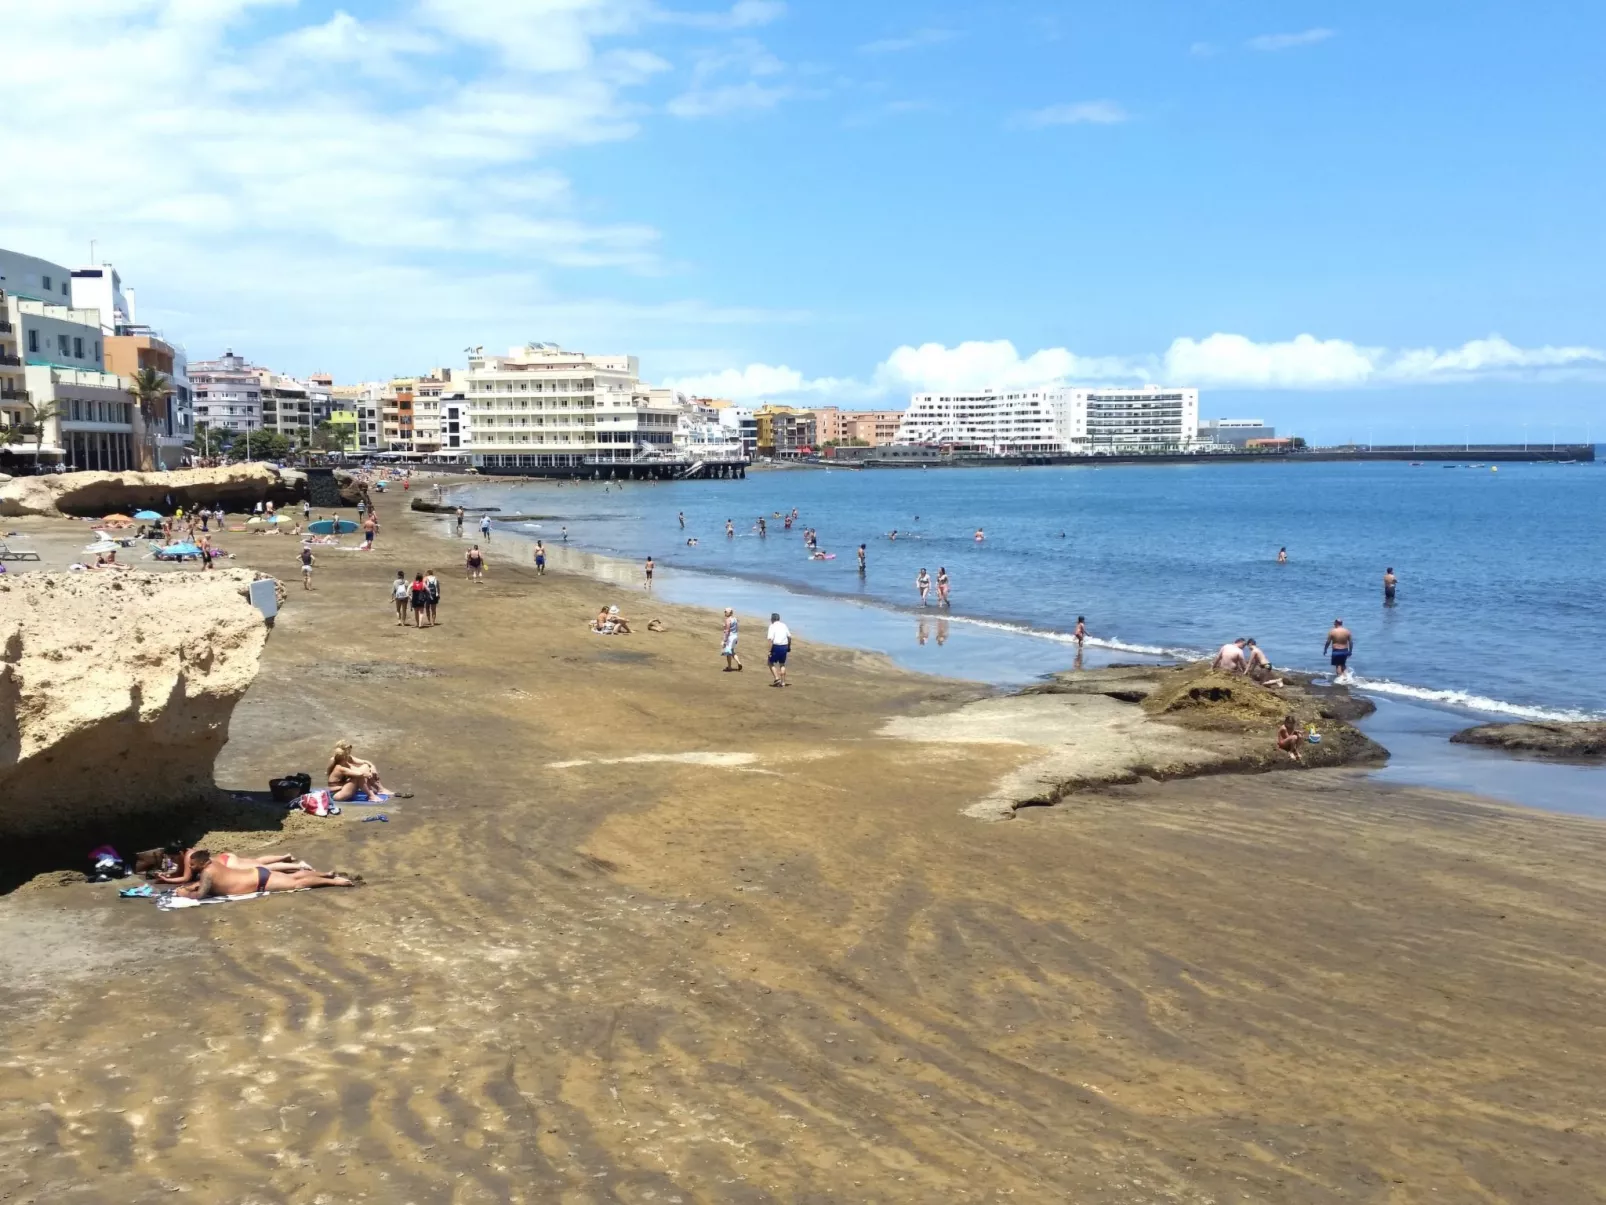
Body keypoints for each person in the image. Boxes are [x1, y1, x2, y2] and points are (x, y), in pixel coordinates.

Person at [766, 611, 792, 687]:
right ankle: (783, 682)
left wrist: (770, 651)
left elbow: (770, 639)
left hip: (776, 646)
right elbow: (789, 637)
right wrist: (789, 646)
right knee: (782, 664)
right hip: (784, 646)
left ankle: (777, 678)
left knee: (770, 662)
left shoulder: (772, 626)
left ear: (772, 619)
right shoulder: (784, 625)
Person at [721, 607, 742, 671]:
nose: (724, 612)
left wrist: (724, 640)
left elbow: (727, 631)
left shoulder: (728, 620)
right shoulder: (735, 619)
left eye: (725, 612)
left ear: (729, 613)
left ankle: (729, 667)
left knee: (728, 652)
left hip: (730, 637)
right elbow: (736, 628)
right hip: (735, 636)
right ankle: (739, 662)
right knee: (732, 651)